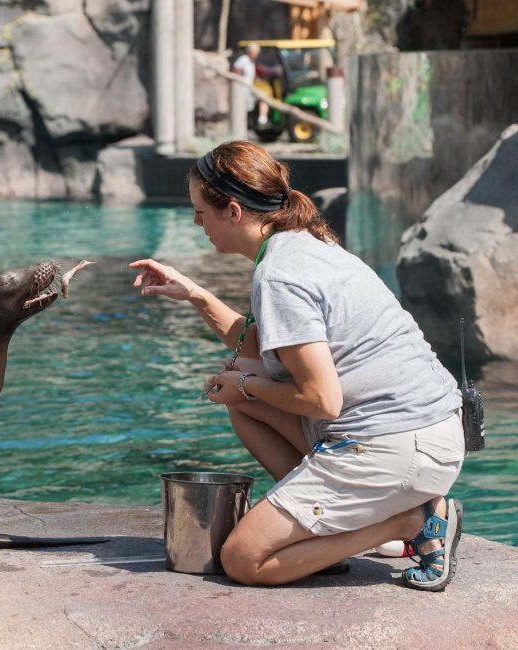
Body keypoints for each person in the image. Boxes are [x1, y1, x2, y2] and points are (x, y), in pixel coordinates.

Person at [130, 141, 465, 590]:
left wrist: (245, 385)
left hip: (392, 446)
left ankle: (409, 522)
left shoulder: (279, 275)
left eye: (199, 212)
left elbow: (323, 400)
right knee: (243, 401)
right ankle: (348, 524)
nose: (196, 222)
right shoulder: (306, 245)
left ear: (232, 211)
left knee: (243, 559)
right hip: (433, 433)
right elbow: (262, 342)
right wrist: (194, 294)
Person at [232, 44, 269, 127]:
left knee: (264, 96)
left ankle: (262, 120)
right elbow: (236, 74)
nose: (256, 54)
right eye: (255, 52)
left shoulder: (251, 61)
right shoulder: (243, 60)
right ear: (249, 51)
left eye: (257, 52)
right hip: (243, 90)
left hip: (249, 89)